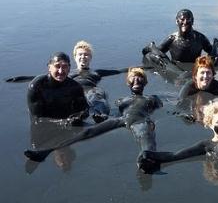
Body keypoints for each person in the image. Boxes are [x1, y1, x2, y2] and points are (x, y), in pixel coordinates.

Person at [24, 67, 163, 173]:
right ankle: (45, 152)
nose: (137, 81)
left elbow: (164, 107)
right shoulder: (121, 100)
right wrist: (104, 117)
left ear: (145, 82)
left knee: (145, 135)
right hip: (121, 119)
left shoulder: (153, 98)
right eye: (134, 79)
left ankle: (148, 159)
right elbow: (114, 114)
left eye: (140, 79)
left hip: (141, 121)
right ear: (128, 83)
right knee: (87, 132)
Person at [70, 40, 128, 122]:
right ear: (75, 57)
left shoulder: (96, 72)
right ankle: (78, 117)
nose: (83, 57)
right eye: (80, 54)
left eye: (86, 55)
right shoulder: (67, 72)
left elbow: (119, 71)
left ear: (90, 57)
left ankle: (102, 115)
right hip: (75, 90)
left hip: (91, 89)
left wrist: (144, 67)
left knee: (96, 97)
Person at [143, 9, 218, 66]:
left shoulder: (200, 38)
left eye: (188, 19)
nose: (185, 22)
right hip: (176, 66)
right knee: (158, 56)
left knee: (214, 60)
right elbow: (159, 53)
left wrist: (217, 56)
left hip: (194, 65)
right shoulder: (172, 39)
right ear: (177, 21)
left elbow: (211, 52)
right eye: (182, 19)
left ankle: (216, 43)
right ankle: (151, 46)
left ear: (192, 21)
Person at [27, 52, 88, 123]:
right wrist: (63, 122)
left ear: (69, 68)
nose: (61, 71)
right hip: (45, 125)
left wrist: (81, 115)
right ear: (49, 67)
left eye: (64, 66)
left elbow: (83, 109)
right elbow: (36, 118)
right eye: (57, 66)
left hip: (68, 121)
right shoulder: (37, 86)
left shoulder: (75, 87)